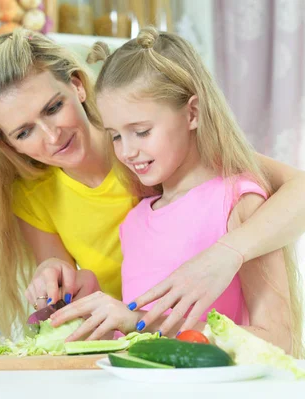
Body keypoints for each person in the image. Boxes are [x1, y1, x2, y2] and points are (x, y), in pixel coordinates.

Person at [0, 28, 305, 338]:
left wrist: (226, 253)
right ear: (6, 143)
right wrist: (63, 281)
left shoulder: (182, 160)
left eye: (53, 107)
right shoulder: (43, 198)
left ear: (77, 85)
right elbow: (106, 302)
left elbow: (289, 189)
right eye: (24, 131)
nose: (51, 136)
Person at [50, 27, 302, 355]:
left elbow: (277, 339)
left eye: (141, 131)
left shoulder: (238, 202)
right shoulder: (135, 220)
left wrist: (139, 320)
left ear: (192, 113)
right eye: (115, 136)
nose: (126, 152)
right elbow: (139, 345)